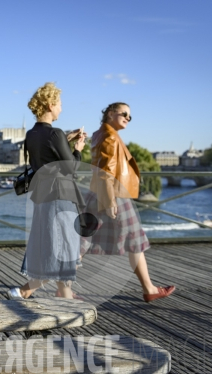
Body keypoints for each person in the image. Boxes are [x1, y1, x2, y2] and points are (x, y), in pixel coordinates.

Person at [81, 102, 175, 302]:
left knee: (83, 241)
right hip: (114, 194)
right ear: (109, 113)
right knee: (134, 240)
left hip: (99, 192)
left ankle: (61, 286)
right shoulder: (110, 137)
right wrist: (111, 201)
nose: (127, 118)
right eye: (124, 114)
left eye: (130, 116)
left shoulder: (99, 134)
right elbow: (106, 172)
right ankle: (149, 289)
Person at [8, 82, 86, 300]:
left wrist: (65, 139)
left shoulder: (31, 134)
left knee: (56, 245)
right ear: (50, 105)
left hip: (42, 196)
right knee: (63, 248)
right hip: (61, 197)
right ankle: (23, 291)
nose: (61, 108)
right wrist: (78, 149)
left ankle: (64, 292)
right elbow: (70, 167)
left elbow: (46, 155)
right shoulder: (56, 134)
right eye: (59, 104)